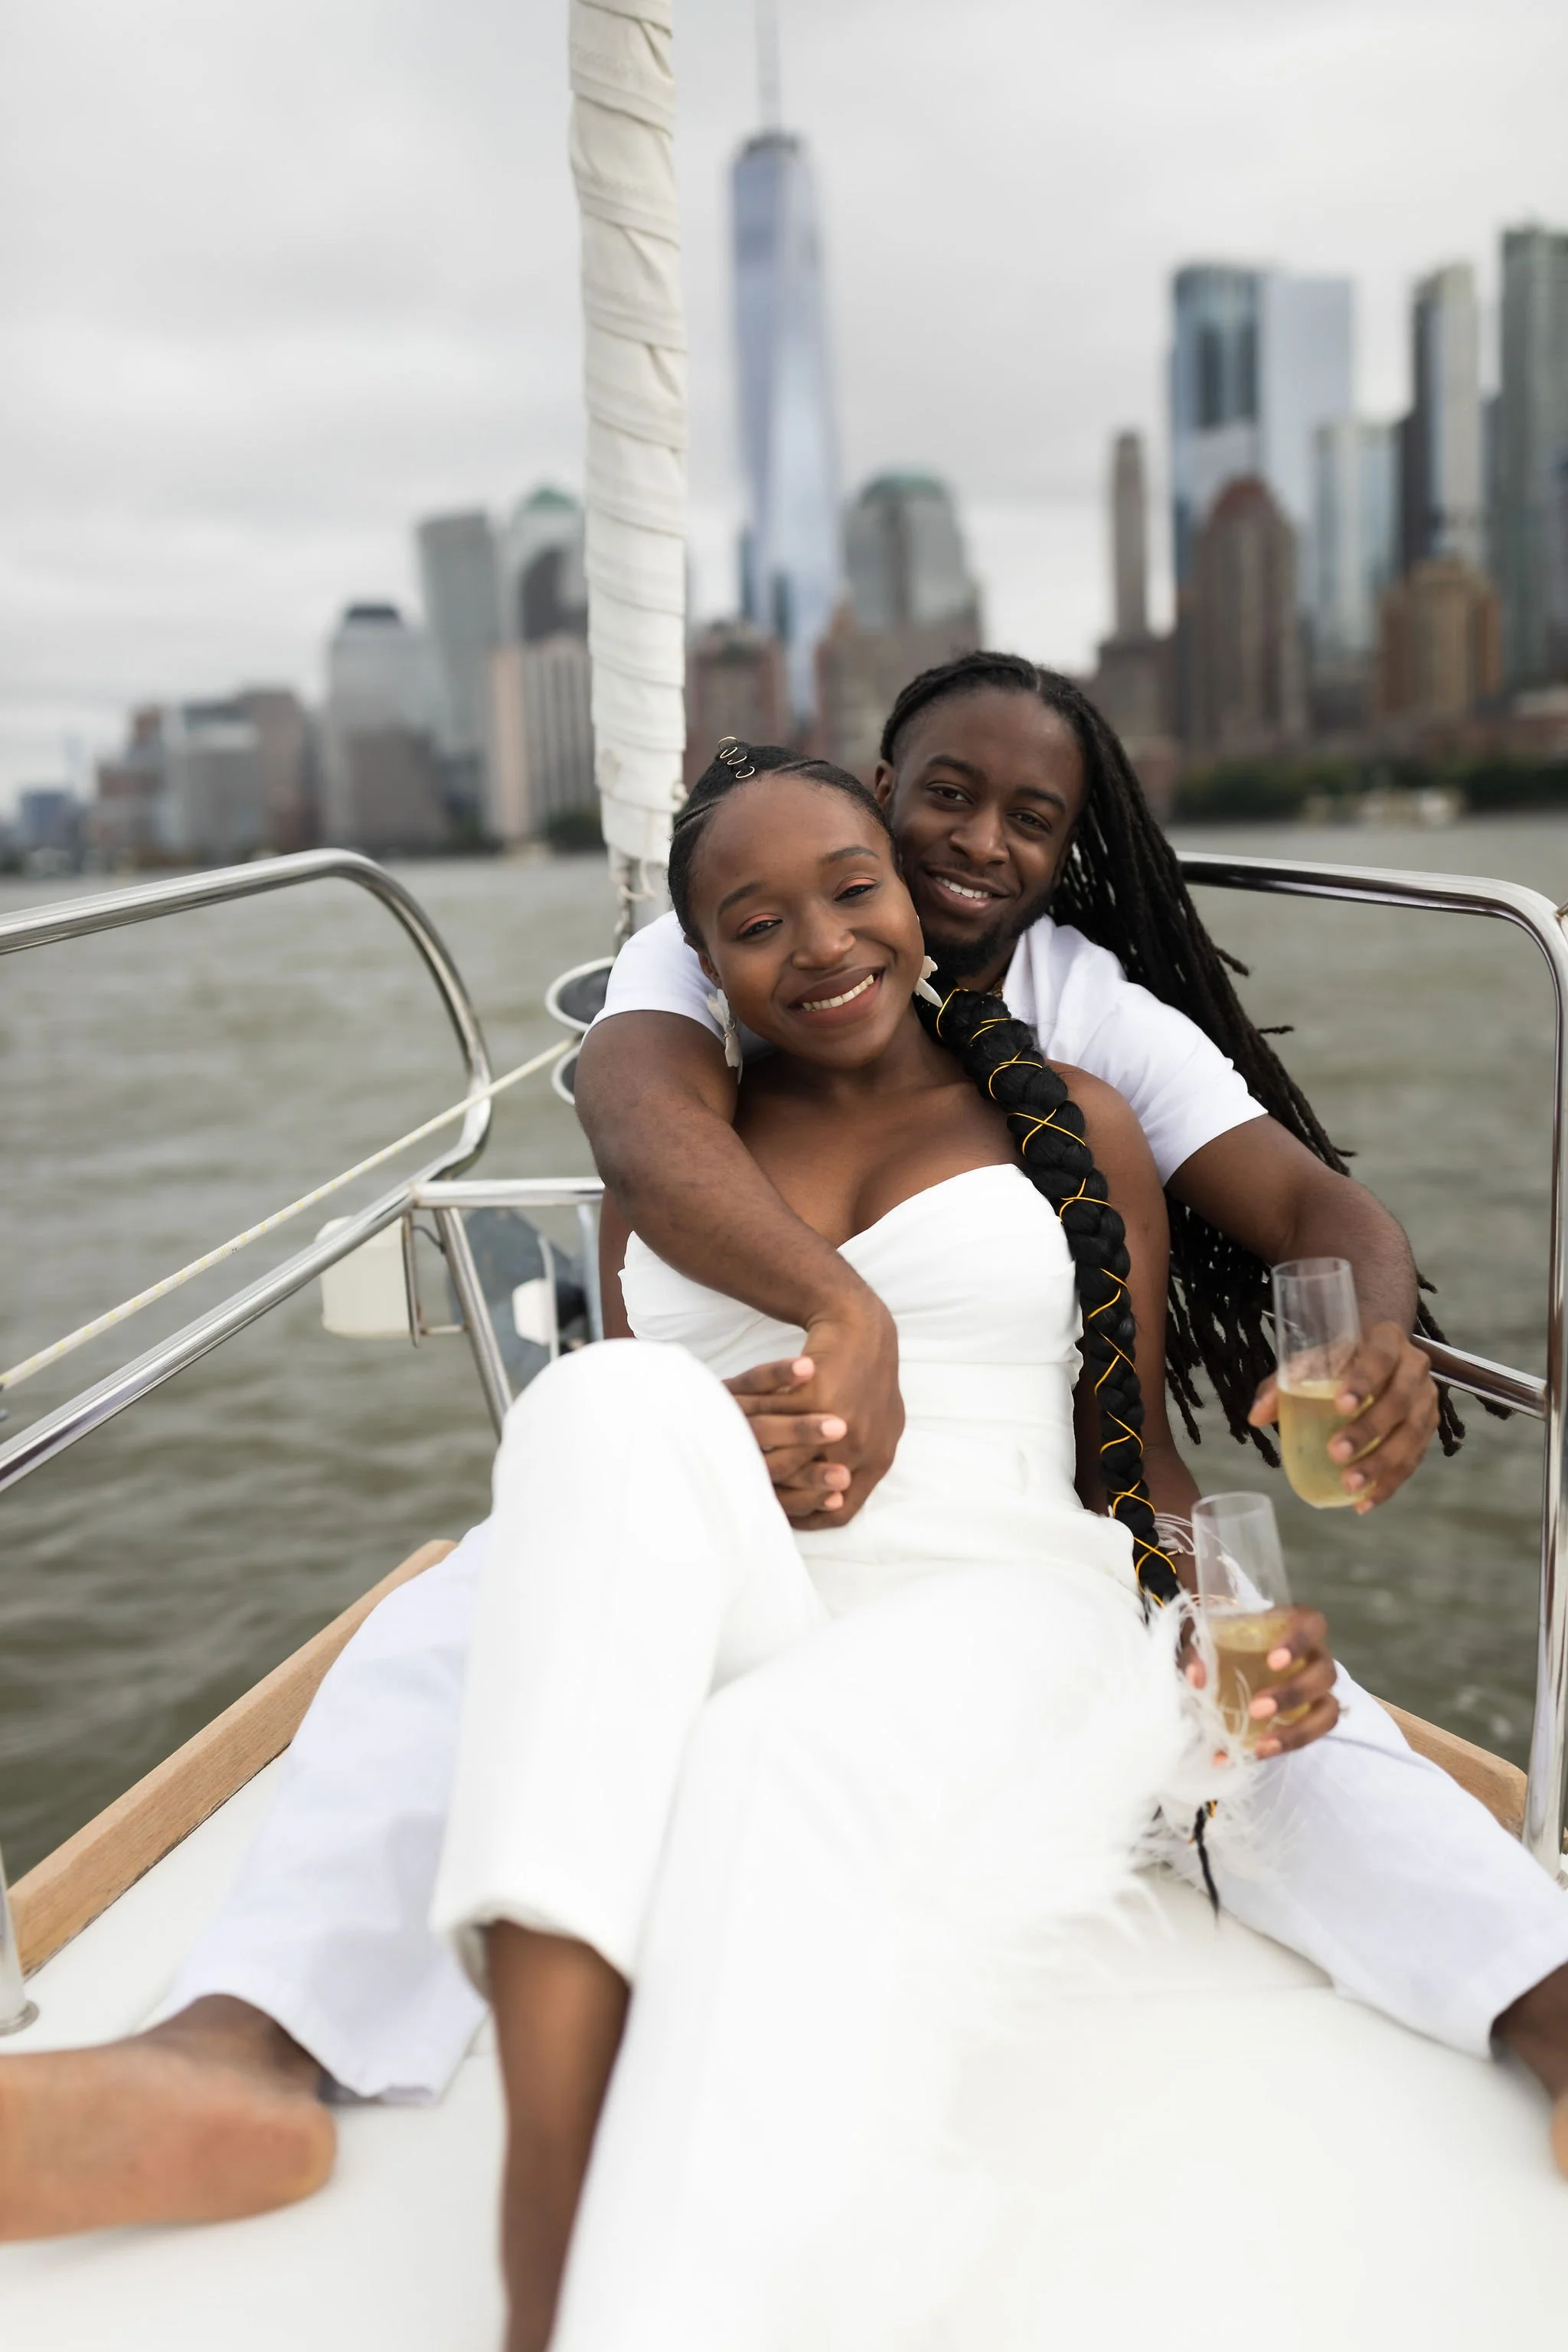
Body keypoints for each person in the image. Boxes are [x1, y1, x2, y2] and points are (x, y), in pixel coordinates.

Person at [0, 687, 1514, 2253]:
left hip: (992, 1560)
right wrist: (753, 1384)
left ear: (1071, 850)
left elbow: (1268, 1271)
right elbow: (629, 1125)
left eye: (1029, 819)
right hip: (723, 1535)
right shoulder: (733, 942)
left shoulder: (1091, 1037)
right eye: (940, 797)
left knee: (1280, 1718)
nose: (968, 846)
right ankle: (231, 2052)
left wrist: (1360, 1354)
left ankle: (1533, 1996)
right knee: (447, 1624)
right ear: (870, 799)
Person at [430, 757, 1568, 2349]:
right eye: (756, 923)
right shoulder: (670, 1178)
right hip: (760, 1595)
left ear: (903, 894)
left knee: (774, 1752)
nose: (820, 943)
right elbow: (642, 1459)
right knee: (597, 1402)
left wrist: (1226, 1631)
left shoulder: (1065, 1126)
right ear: (702, 965)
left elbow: (1143, 1457)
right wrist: (713, 1426)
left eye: (850, 888)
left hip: (1011, 1609)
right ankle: (542, 2251)